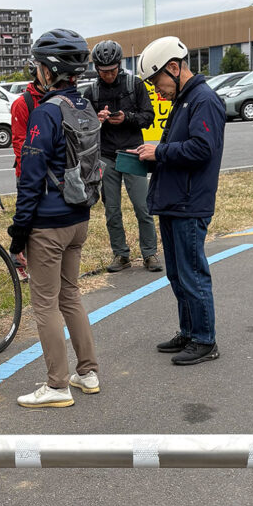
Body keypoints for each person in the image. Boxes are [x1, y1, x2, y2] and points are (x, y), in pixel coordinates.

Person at [7, 29, 100, 408]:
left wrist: (17, 234)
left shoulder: (45, 113)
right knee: (71, 295)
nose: (36, 71)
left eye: (39, 66)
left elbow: (30, 177)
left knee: (45, 304)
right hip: (79, 217)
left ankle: (57, 385)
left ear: (49, 70)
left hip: (48, 223)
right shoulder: (85, 107)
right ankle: (88, 372)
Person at [130, 36, 226, 366]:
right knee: (177, 274)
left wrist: (160, 150)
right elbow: (178, 151)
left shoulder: (203, 100)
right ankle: (188, 331)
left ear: (174, 67)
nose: (157, 91)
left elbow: (203, 149)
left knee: (192, 273)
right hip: (174, 200)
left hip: (189, 202)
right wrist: (150, 155)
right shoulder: (184, 100)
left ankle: (204, 339)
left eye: (157, 82)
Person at [83, 39, 162, 273]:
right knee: (112, 210)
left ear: (120, 65)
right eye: (103, 71)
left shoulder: (134, 85)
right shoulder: (91, 91)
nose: (108, 75)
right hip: (106, 156)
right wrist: (96, 120)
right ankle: (121, 254)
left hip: (133, 153)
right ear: (96, 68)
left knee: (142, 207)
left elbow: (149, 117)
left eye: (112, 70)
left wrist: (125, 117)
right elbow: (85, 126)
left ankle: (150, 253)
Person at [8, 63, 45, 281]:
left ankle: (35, 262)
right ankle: (17, 260)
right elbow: (19, 142)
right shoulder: (22, 103)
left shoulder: (55, 99)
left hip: (50, 173)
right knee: (26, 217)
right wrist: (34, 169)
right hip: (27, 172)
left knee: (42, 221)